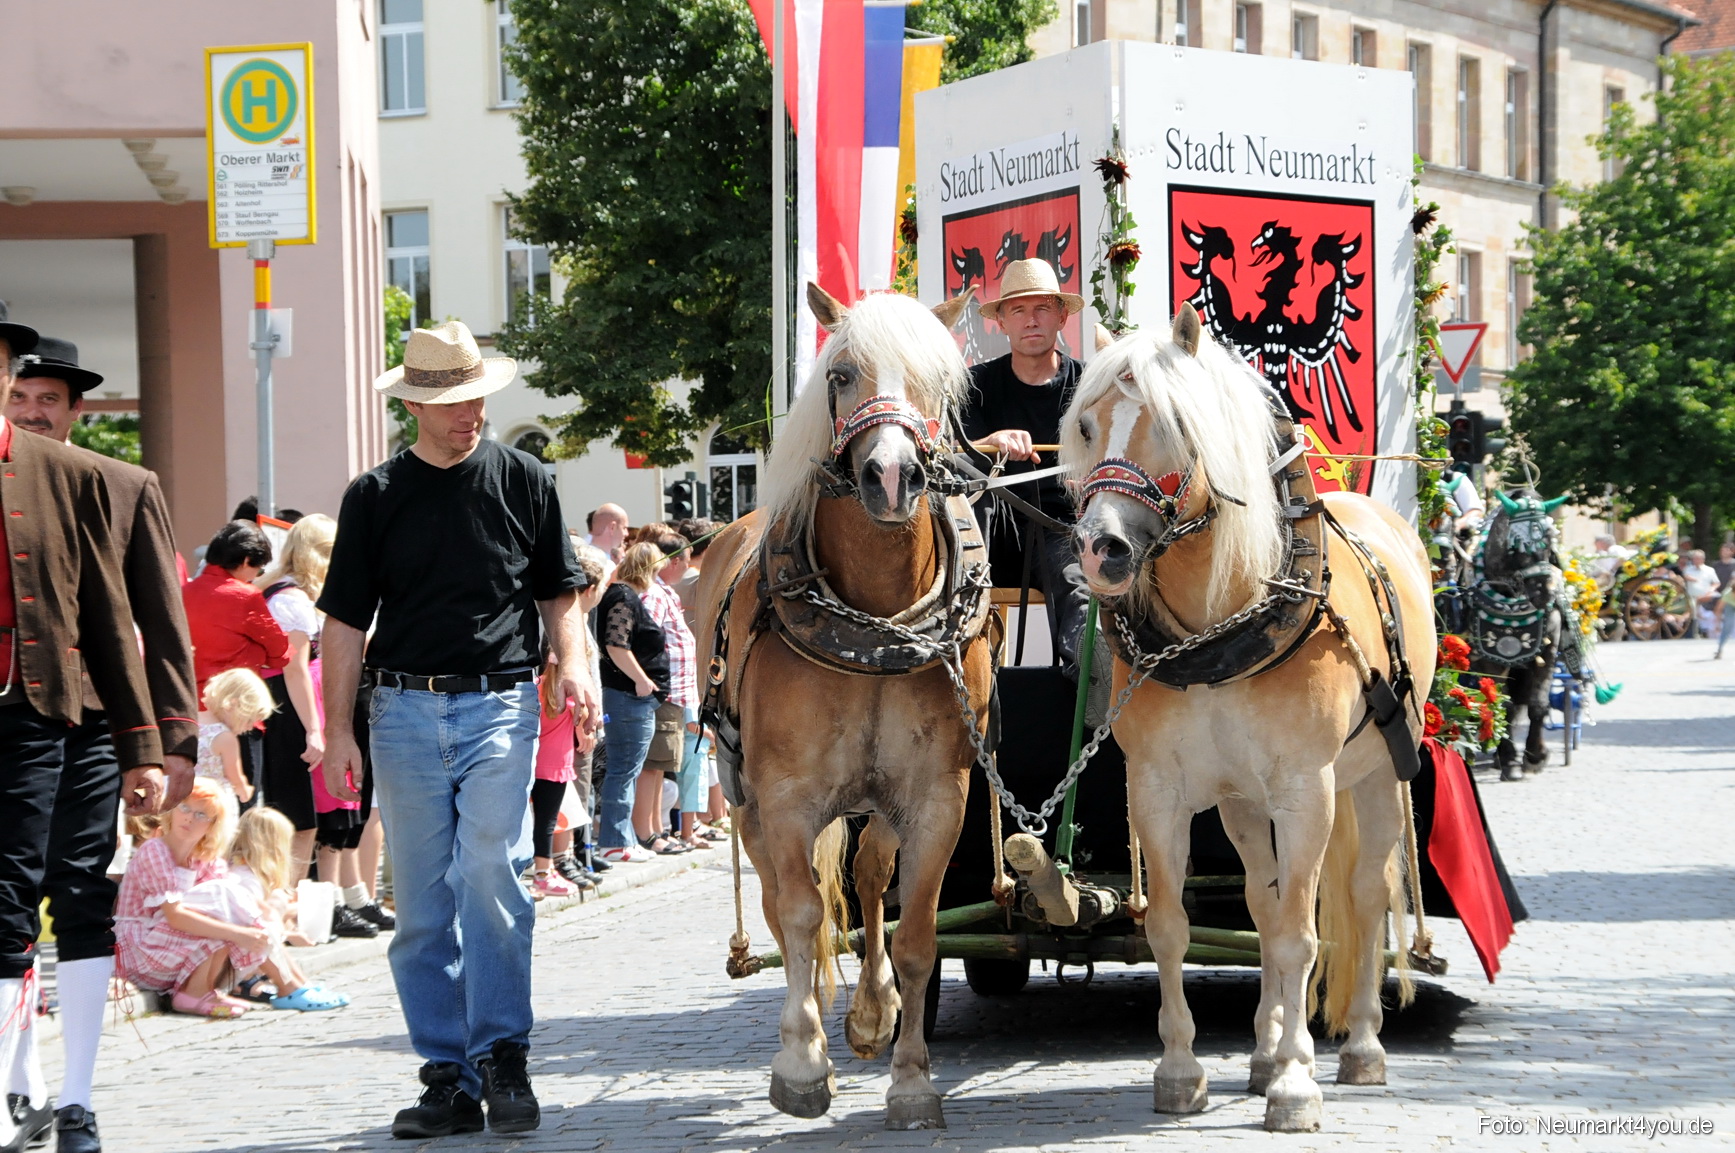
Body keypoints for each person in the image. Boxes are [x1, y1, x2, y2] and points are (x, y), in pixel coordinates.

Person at [316, 320, 597, 1139]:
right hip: (400, 710)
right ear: (412, 404)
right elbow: (342, 623)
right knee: (423, 905)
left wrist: (572, 662)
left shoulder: (526, 479)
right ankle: (446, 1075)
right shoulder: (373, 495)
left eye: (475, 396)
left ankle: (503, 1053)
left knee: (492, 872)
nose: (466, 412)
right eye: (448, 401)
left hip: (502, 704)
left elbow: (559, 592)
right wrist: (337, 732)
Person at [3, 331, 201, 1153]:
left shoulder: (113, 483)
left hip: (85, 718)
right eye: (25, 396)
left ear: (77, 409)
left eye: (51, 397)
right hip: (24, 713)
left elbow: (150, 620)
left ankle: (68, 1096)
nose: (35, 408)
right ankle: (23, 1084)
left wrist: (164, 739)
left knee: (75, 889)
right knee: (7, 902)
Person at [959, 258, 1093, 679]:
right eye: (1018, 310)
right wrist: (989, 444)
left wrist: (1092, 478)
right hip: (986, 534)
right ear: (1001, 320)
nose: (1030, 321)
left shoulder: (1090, 386)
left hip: (1058, 532)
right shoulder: (973, 385)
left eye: (1042, 309)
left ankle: (1088, 710)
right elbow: (950, 457)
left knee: (1078, 588)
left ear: (1062, 316)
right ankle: (953, 671)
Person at [258, 515, 387, 938]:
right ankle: (295, 913)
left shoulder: (295, 595)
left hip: (313, 708)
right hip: (299, 714)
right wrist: (316, 728)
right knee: (306, 819)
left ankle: (331, 904)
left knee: (329, 816)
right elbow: (294, 669)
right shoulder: (290, 599)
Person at [112, 781, 262, 1018]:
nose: (190, 818)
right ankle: (192, 995)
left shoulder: (206, 859)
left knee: (227, 910)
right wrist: (240, 934)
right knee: (222, 908)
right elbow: (175, 916)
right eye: (184, 807)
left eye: (201, 814)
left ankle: (203, 990)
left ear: (213, 825)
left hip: (166, 945)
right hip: (137, 947)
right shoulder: (155, 850)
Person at [180, 806, 348, 1012]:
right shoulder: (244, 877)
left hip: (215, 957)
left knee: (266, 927)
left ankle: (299, 984)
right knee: (263, 930)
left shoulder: (241, 873)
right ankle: (290, 987)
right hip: (212, 960)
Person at [594, 542, 671, 864]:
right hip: (628, 697)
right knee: (624, 770)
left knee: (626, 770)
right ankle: (614, 841)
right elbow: (616, 644)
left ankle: (620, 839)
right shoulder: (624, 597)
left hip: (631, 698)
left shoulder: (620, 595)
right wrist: (642, 680)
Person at [634, 533, 698, 855]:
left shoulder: (665, 592)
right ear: (674, 562)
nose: (686, 569)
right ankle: (645, 832)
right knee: (652, 765)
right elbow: (645, 636)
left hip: (673, 694)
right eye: (685, 563)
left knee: (661, 765)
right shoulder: (656, 595)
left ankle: (658, 828)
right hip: (662, 691)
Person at [183, 520, 291, 700]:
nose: (256, 576)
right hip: (233, 701)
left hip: (190, 701)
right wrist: (257, 652)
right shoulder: (246, 596)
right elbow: (280, 652)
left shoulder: (184, 591)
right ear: (247, 560)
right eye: (259, 569)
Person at [528, 653, 588, 899]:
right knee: (548, 822)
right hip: (556, 766)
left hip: (533, 762)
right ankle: (543, 872)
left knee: (534, 822)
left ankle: (542, 870)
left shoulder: (536, 687)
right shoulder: (572, 696)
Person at [197, 668, 276, 802]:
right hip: (211, 802)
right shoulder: (225, 737)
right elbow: (234, 776)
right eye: (249, 720)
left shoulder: (192, 720)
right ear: (232, 705)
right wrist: (244, 788)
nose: (250, 727)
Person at [1682, 549, 1720, 637]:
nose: (1696, 560)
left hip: (1705, 597)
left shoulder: (1710, 570)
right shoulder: (1688, 569)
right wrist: (1689, 578)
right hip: (1691, 596)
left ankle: (1705, 632)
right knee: (1693, 613)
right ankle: (1693, 633)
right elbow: (1685, 576)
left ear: (1703, 559)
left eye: (1698, 558)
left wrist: (1711, 589)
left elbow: (1716, 582)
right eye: (1694, 558)